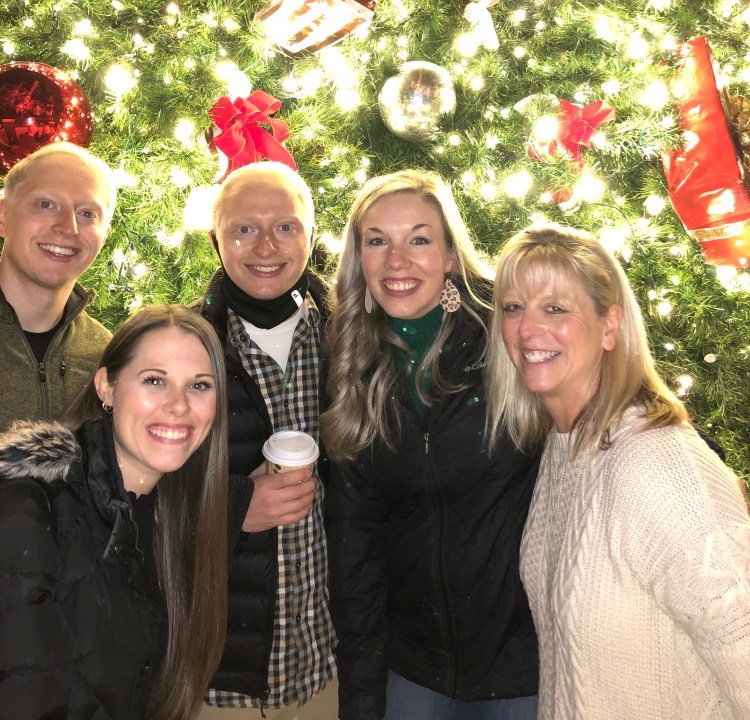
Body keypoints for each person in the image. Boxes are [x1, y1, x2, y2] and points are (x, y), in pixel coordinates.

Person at [487, 223, 750, 720]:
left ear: (610, 325)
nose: (526, 329)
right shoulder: (564, 444)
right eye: (514, 307)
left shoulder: (655, 464)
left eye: (555, 308)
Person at [322, 170, 539, 720]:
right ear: (359, 259)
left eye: (418, 239)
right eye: (378, 241)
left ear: (449, 255)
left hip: (523, 665)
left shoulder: (508, 336)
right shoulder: (351, 367)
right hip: (415, 667)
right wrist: (363, 701)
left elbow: (607, 399)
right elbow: (355, 553)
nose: (397, 261)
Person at [0, 303, 229, 720]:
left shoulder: (176, 518)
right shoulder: (30, 509)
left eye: (199, 385)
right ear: (106, 387)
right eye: (155, 380)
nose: (179, 405)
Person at [197, 161, 337, 718]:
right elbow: (133, 494)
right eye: (243, 229)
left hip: (330, 670)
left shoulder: (351, 342)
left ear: (310, 234)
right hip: (218, 678)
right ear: (216, 240)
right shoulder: (185, 350)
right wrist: (232, 507)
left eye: (285, 226)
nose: (265, 246)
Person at [0, 143, 116, 429]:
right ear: (3, 216)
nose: (68, 227)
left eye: (88, 213)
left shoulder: (106, 357)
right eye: (46, 204)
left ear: (105, 235)